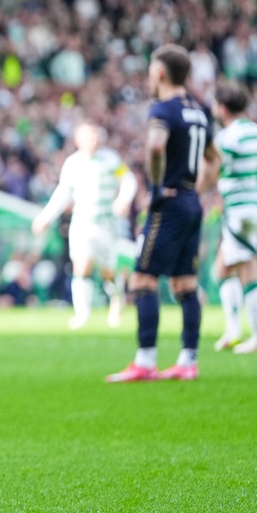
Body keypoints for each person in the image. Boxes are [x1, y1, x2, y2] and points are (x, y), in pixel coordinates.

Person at [108, 45, 214, 383]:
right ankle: (188, 361)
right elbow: (215, 159)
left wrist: (155, 189)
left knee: (142, 280)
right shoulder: (200, 110)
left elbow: (156, 146)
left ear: (160, 73)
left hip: (168, 203)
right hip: (191, 201)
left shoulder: (163, 109)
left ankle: (145, 361)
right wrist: (195, 190)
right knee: (185, 284)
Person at [31, 122, 137, 328]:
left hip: (106, 223)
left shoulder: (110, 159)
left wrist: (124, 199)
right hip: (82, 222)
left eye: (95, 135)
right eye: (89, 136)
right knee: (81, 265)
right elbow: (63, 193)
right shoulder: (73, 164)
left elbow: (128, 180)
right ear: (78, 140)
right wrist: (45, 217)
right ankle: (82, 313)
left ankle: (117, 300)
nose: (93, 140)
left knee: (107, 272)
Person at [197, 82, 257, 353]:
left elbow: (212, 171)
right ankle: (233, 330)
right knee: (222, 269)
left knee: (248, 267)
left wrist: (194, 191)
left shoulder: (228, 137)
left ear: (223, 108)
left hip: (241, 210)